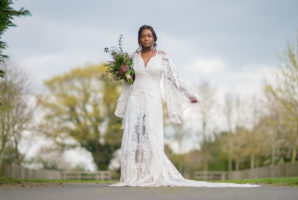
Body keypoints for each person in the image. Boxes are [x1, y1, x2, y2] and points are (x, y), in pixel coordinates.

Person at [109, 25, 260, 188]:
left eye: (149, 36)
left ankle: (152, 174)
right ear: (139, 38)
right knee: (134, 137)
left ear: (154, 38)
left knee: (151, 137)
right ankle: (134, 176)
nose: (146, 38)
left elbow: (175, 79)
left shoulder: (163, 57)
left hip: (152, 100)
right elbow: (126, 79)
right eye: (143, 36)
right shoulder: (132, 57)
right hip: (135, 99)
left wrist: (189, 95)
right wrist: (122, 72)